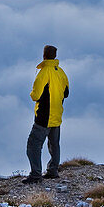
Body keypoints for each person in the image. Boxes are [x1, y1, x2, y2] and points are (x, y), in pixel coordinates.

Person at [22, 44, 69, 183]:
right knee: (54, 144)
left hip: (44, 116)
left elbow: (35, 95)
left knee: (33, 145)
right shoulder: (61, 72)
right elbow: (66, 93)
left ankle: (36, 174)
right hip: (57, 114)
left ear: (44, 55)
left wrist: (32, 93)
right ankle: (53, 171)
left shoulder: (43, 73)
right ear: (55, 56)